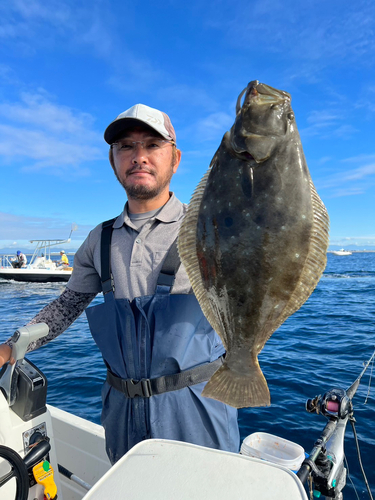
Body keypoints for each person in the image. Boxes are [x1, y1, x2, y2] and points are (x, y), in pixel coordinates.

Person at [0, 104, 240, 464]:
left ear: (175, 159)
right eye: (126, 147)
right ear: (113, 161)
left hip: (198, 407)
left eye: (152, 145)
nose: (139, 157)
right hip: (121, 411)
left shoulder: (213, 229)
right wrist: (13, 347)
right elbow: (68, 305)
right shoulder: (100, 239)